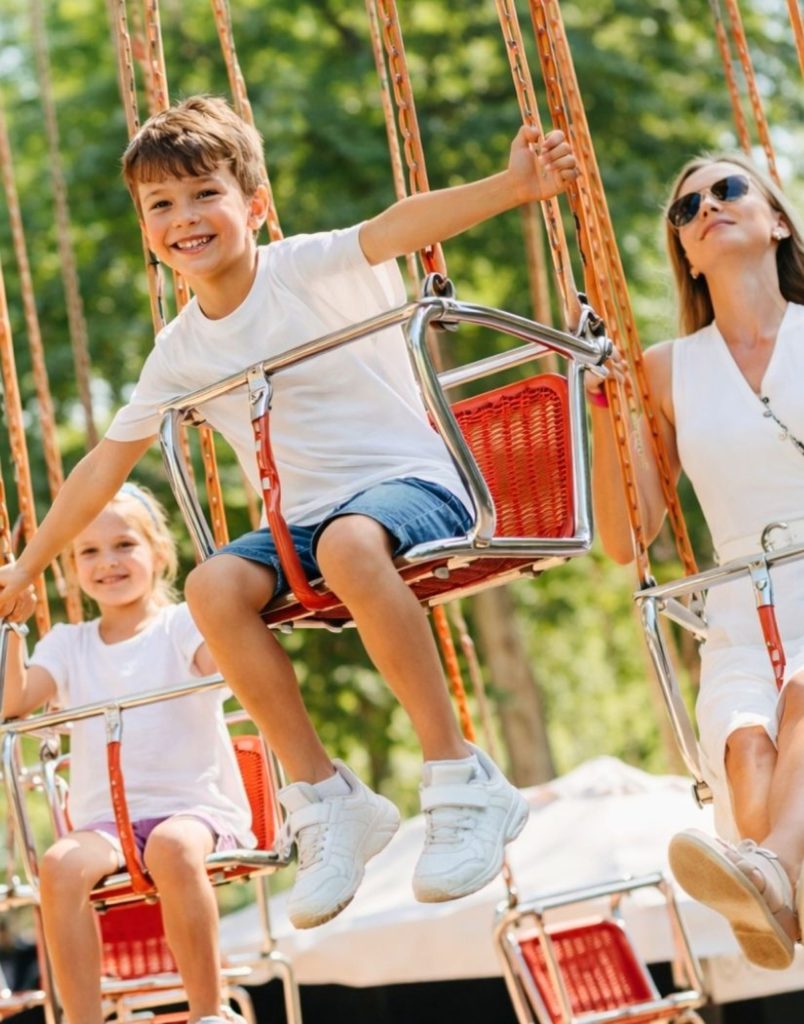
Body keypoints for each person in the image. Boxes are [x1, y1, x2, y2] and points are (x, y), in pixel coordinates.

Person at [0, 95, 578, 931]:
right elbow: (103, 468)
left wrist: (513, 186)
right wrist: (27, 565)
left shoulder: (304, 268)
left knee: (348, 544)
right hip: (301, 526)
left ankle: (461, 776)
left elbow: (397, 226)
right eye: (160, 204)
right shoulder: (179, 350)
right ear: (145, 229)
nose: (184, 218)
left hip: (412, 485)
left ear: (256, 206)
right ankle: (327, 795)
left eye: (205, 194)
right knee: (213, 586)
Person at [587, 152, 804, 970]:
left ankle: (771, 869)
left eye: (728, 188)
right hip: (740, 600)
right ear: (685, 251)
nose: (708, 205)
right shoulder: (668, 370)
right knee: (745, 747)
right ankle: (778, 883)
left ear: (776, 220)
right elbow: (627, 535)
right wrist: (608, 406)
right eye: (686, 208)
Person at [1, 485, 252, 1024]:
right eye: (89, 552)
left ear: (158, 552)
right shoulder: (68, 644)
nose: (107, 562)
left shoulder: (181, 624)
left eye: (124, 545)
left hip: (193, 810)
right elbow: (12, 702)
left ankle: (208, 1011)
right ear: (71, 569)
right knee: (59, 865)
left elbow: (229, 662)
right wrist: (13, 625)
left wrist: (232, 605)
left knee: (171, 846)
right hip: (108, 824)